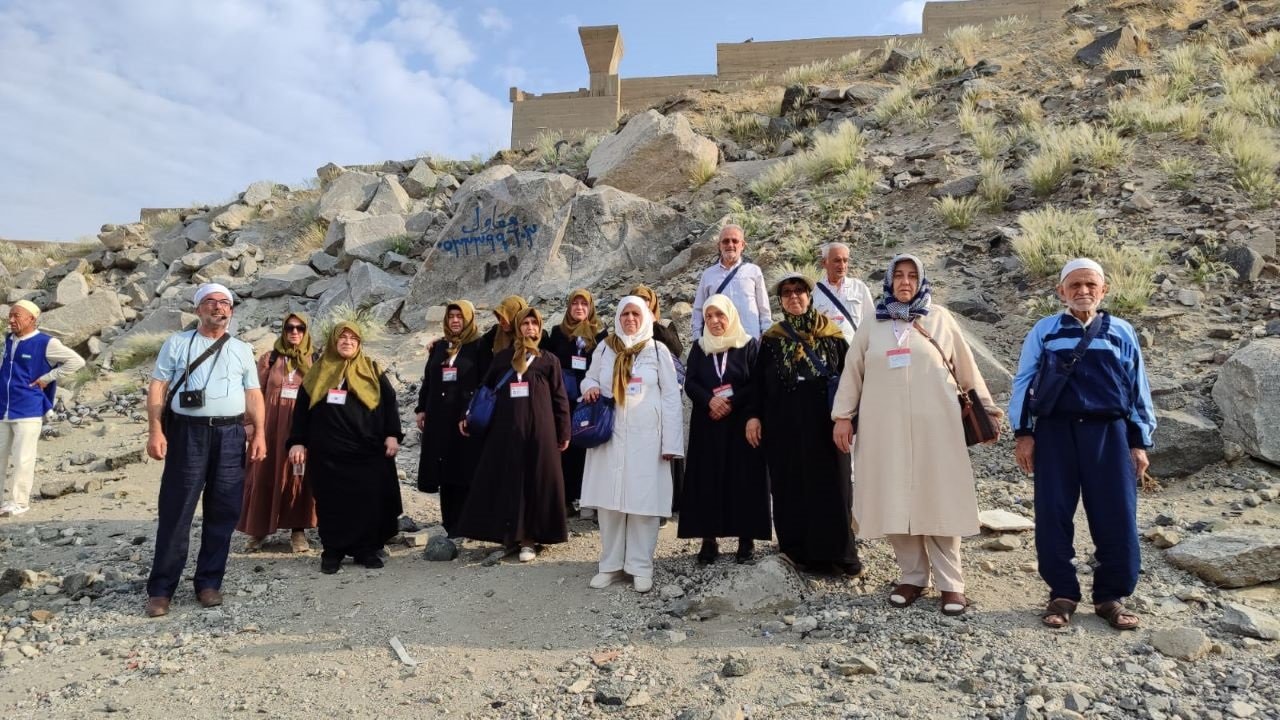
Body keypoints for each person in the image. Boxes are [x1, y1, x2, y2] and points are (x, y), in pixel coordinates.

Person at [832, 255, 1002, 616]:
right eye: (899, 275)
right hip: (884, 430)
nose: (905, 282)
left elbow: (966, 368)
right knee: (895, 499)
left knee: (939, 499)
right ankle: (912, 576)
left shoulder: (939, 318)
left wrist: (988, 410)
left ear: (921, 281)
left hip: (936, 429)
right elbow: (852, 373)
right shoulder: (872, 323)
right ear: (889, 281)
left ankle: (951, 584)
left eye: (912, 276)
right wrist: (842, 417)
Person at [1010, 258, 1154, 632]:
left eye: (1091, 284)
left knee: (1117, 514)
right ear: (1061, 291)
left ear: (1104, 290)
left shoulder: (1122, 331)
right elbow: (1024, 381)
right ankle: (1062, 594)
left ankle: (1111, 597)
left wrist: (1139, 441)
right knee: (1053, 514)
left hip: (1109, 433)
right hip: (1055, 433)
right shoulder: (1045, 330)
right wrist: (1024, 433)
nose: (1083, 291)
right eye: (1074, 285)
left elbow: (1137, 388)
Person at [144, 283, 266, 618]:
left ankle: (209, 583)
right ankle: (161, 590)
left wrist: (260, 434)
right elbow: (158, 387)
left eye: (225, 303)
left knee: (223, 510)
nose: (218, 307)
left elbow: (253, 394)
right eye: (211, 302)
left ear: (231, 311)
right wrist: (155, 430)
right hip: (187, 434)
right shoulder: (177, 343)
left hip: (230, 435)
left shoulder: (241, 349)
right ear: (198, 309)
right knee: (176, 509)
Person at [748, 274, 859, 576]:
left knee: (833, 485)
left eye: (799, 291)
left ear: (809, 296)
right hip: (784, 422)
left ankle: (839, 554)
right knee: (790, 484)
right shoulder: (772, 339)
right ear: (781, 301)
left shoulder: (832, 335)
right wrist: (754, 415)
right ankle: (796, 552)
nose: (794, 296)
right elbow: (758, 383)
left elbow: (851, 379)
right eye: (787, 293)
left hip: (826, 421)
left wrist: (849, 418)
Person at [580, 298, 684, 592]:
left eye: (635, 313)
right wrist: (590, 387)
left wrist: (671, 443)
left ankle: (640, 566)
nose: (629, 318)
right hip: (610, 437)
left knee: (643, 504)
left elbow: (671, 398)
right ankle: (610, 565)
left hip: (647, 440)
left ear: (646, 317)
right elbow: (589, 378)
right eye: (624, 313)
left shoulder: (657, 350)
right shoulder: (605, 348)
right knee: (610, 504)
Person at [287, 322, 404, 574]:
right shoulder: (317, 371)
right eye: (342, 337)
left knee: (367, 501)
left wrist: (392, 435)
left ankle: (366, 550)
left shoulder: (372, 369)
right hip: (327, 453)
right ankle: (333, 551)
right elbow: (301, 410)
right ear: (333, 341)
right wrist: (297, 440)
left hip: (366, 451)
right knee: (331, 503)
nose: (347, 342)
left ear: (359, 343)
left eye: (353, 338)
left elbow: (389, 403)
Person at [457, 307, 571, 562]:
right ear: (518, 328)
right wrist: (467, 414)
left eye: (534, 323)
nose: (530, 327)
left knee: (535, 482)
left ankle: (530, 538)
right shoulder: (503, 358)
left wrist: (564, 430)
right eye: (525, 323)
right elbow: (484, 388)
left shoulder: (548, 360)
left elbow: (559, 398)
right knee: (508, 482)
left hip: (540, 434)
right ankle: (509, 535)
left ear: (539, 328)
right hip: (505, 433)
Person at [679, 294, 769, 564]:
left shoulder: (748, 345)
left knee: (743, 479)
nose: (714, 321)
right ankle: (709, 539)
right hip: (708, 422)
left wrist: (731, 402)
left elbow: (756, 383)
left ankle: (746, 538)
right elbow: (690, 381)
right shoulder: (700, 347)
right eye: (709, 316)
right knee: (708, 478)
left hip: (741, 422)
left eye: (720, 315)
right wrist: (710, 400)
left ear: (731, 316)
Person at [237, 312, 317, 553]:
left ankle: (298, 530)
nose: (294, 332)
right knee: (263, 474)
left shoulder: (315, 359)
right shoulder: (269, 359)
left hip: (301, 429)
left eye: (300, 328)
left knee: (298, 477)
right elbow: (254, 393)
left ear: (306, 331)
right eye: (290, 328)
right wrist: (250, 425)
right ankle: (258, 529)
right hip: (269, 429)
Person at [0, 300, 85, 518]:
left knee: (23, 458)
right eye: (10, 315)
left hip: (28, 409)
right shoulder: (9, 340)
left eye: (16, 316)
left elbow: (76, 361)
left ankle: (19, 502)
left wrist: (47, 378)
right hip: (3, 407)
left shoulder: (46, 343)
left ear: (32, 319)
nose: (11, 320)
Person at [416, 300, 485, 538]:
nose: (455, 321)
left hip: (464, 418)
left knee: (465, 466)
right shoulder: (439, 347)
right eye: (451, 316)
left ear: (468, 319)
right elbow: (428, 380)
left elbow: (483, 382)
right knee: (444, 468)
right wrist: (421, 409)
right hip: (439, 417)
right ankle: (450, 523)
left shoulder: (479, 345)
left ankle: (468, 522)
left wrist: (470, 411)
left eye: (460, 316)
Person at [540, 289, 606, 518]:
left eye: (584, 304)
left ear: (590, 307)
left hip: (590, 398)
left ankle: (590, 499)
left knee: (589, 446)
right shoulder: (558, 333)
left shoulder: (600, 334)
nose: (579, 308)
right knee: (565, 447)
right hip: (564, 398)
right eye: (575, 304)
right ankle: (566, 498)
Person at [628, 284, 684, 525]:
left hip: (662, 394)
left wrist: (653, 324)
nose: (642, 302)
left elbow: (677, 350)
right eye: (637, 298)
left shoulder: (664, 325)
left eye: (645, 299)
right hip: (636, 400)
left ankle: (667, 503)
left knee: (663, 450)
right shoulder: (627, 326)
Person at [692, 225, 772, 340]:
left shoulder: (754, 271)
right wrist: (697, 338)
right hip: (720, 342)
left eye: (735, 241)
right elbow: (699, 309)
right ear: (719, 246)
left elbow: (763, 307)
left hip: (750, 340)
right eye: (725, 241)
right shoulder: (708, 275)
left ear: (742, 245)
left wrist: (766, 333)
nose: (730, 245)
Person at [811, 242, 876, 345]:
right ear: (824, 263)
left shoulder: (859, 288)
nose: (842, 265)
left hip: (855, 349)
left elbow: (871, 321)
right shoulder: (814, 292)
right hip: (827, 351)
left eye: (845, 261)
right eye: (837, 260)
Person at [476, 295, 528, 374]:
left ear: (517, 316)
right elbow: (480, 346)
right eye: (499, 317)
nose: (501, 322)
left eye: (505, 317)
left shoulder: (533, 335)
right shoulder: (497, 331)